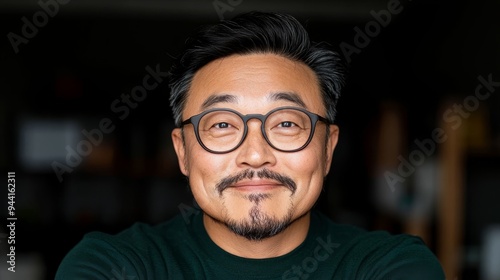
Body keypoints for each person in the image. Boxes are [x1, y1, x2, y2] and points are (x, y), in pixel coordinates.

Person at [55, 11, 445, 279]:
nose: (255, 154)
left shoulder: (390, 266)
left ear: (328, 149)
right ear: (182, 152)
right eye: (222, 124)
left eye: (287, 123)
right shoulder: (113, 265)